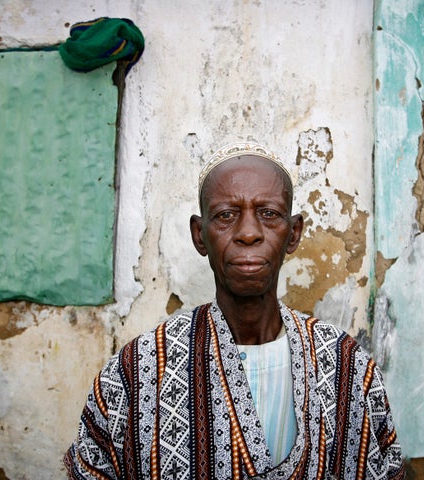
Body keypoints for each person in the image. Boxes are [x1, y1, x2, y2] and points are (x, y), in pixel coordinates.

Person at [64, 141, 405, 479]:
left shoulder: (345, 365)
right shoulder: (139, 369)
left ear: (293, 233)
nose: (248, 233)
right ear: (200, 235)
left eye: (268, 214)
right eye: (226, 215)